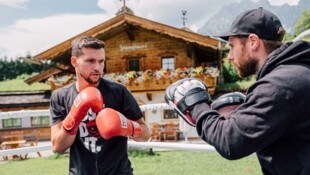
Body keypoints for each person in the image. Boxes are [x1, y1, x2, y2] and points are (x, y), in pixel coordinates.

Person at [165, 7, 310, 175]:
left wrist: (195, 104)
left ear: (253, 42)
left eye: (232, 46)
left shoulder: (277, 86)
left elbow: (229, 141)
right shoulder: (299, 71)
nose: (230, 57)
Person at [50, 36, 150, 175]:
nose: (97, 67)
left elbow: (145, 135)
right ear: (74, 61)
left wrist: (128, 126)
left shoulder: (119, 92)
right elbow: (57, 147)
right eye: (90, 61)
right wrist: (75, 116)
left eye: (101, 61)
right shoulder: (60, 96)